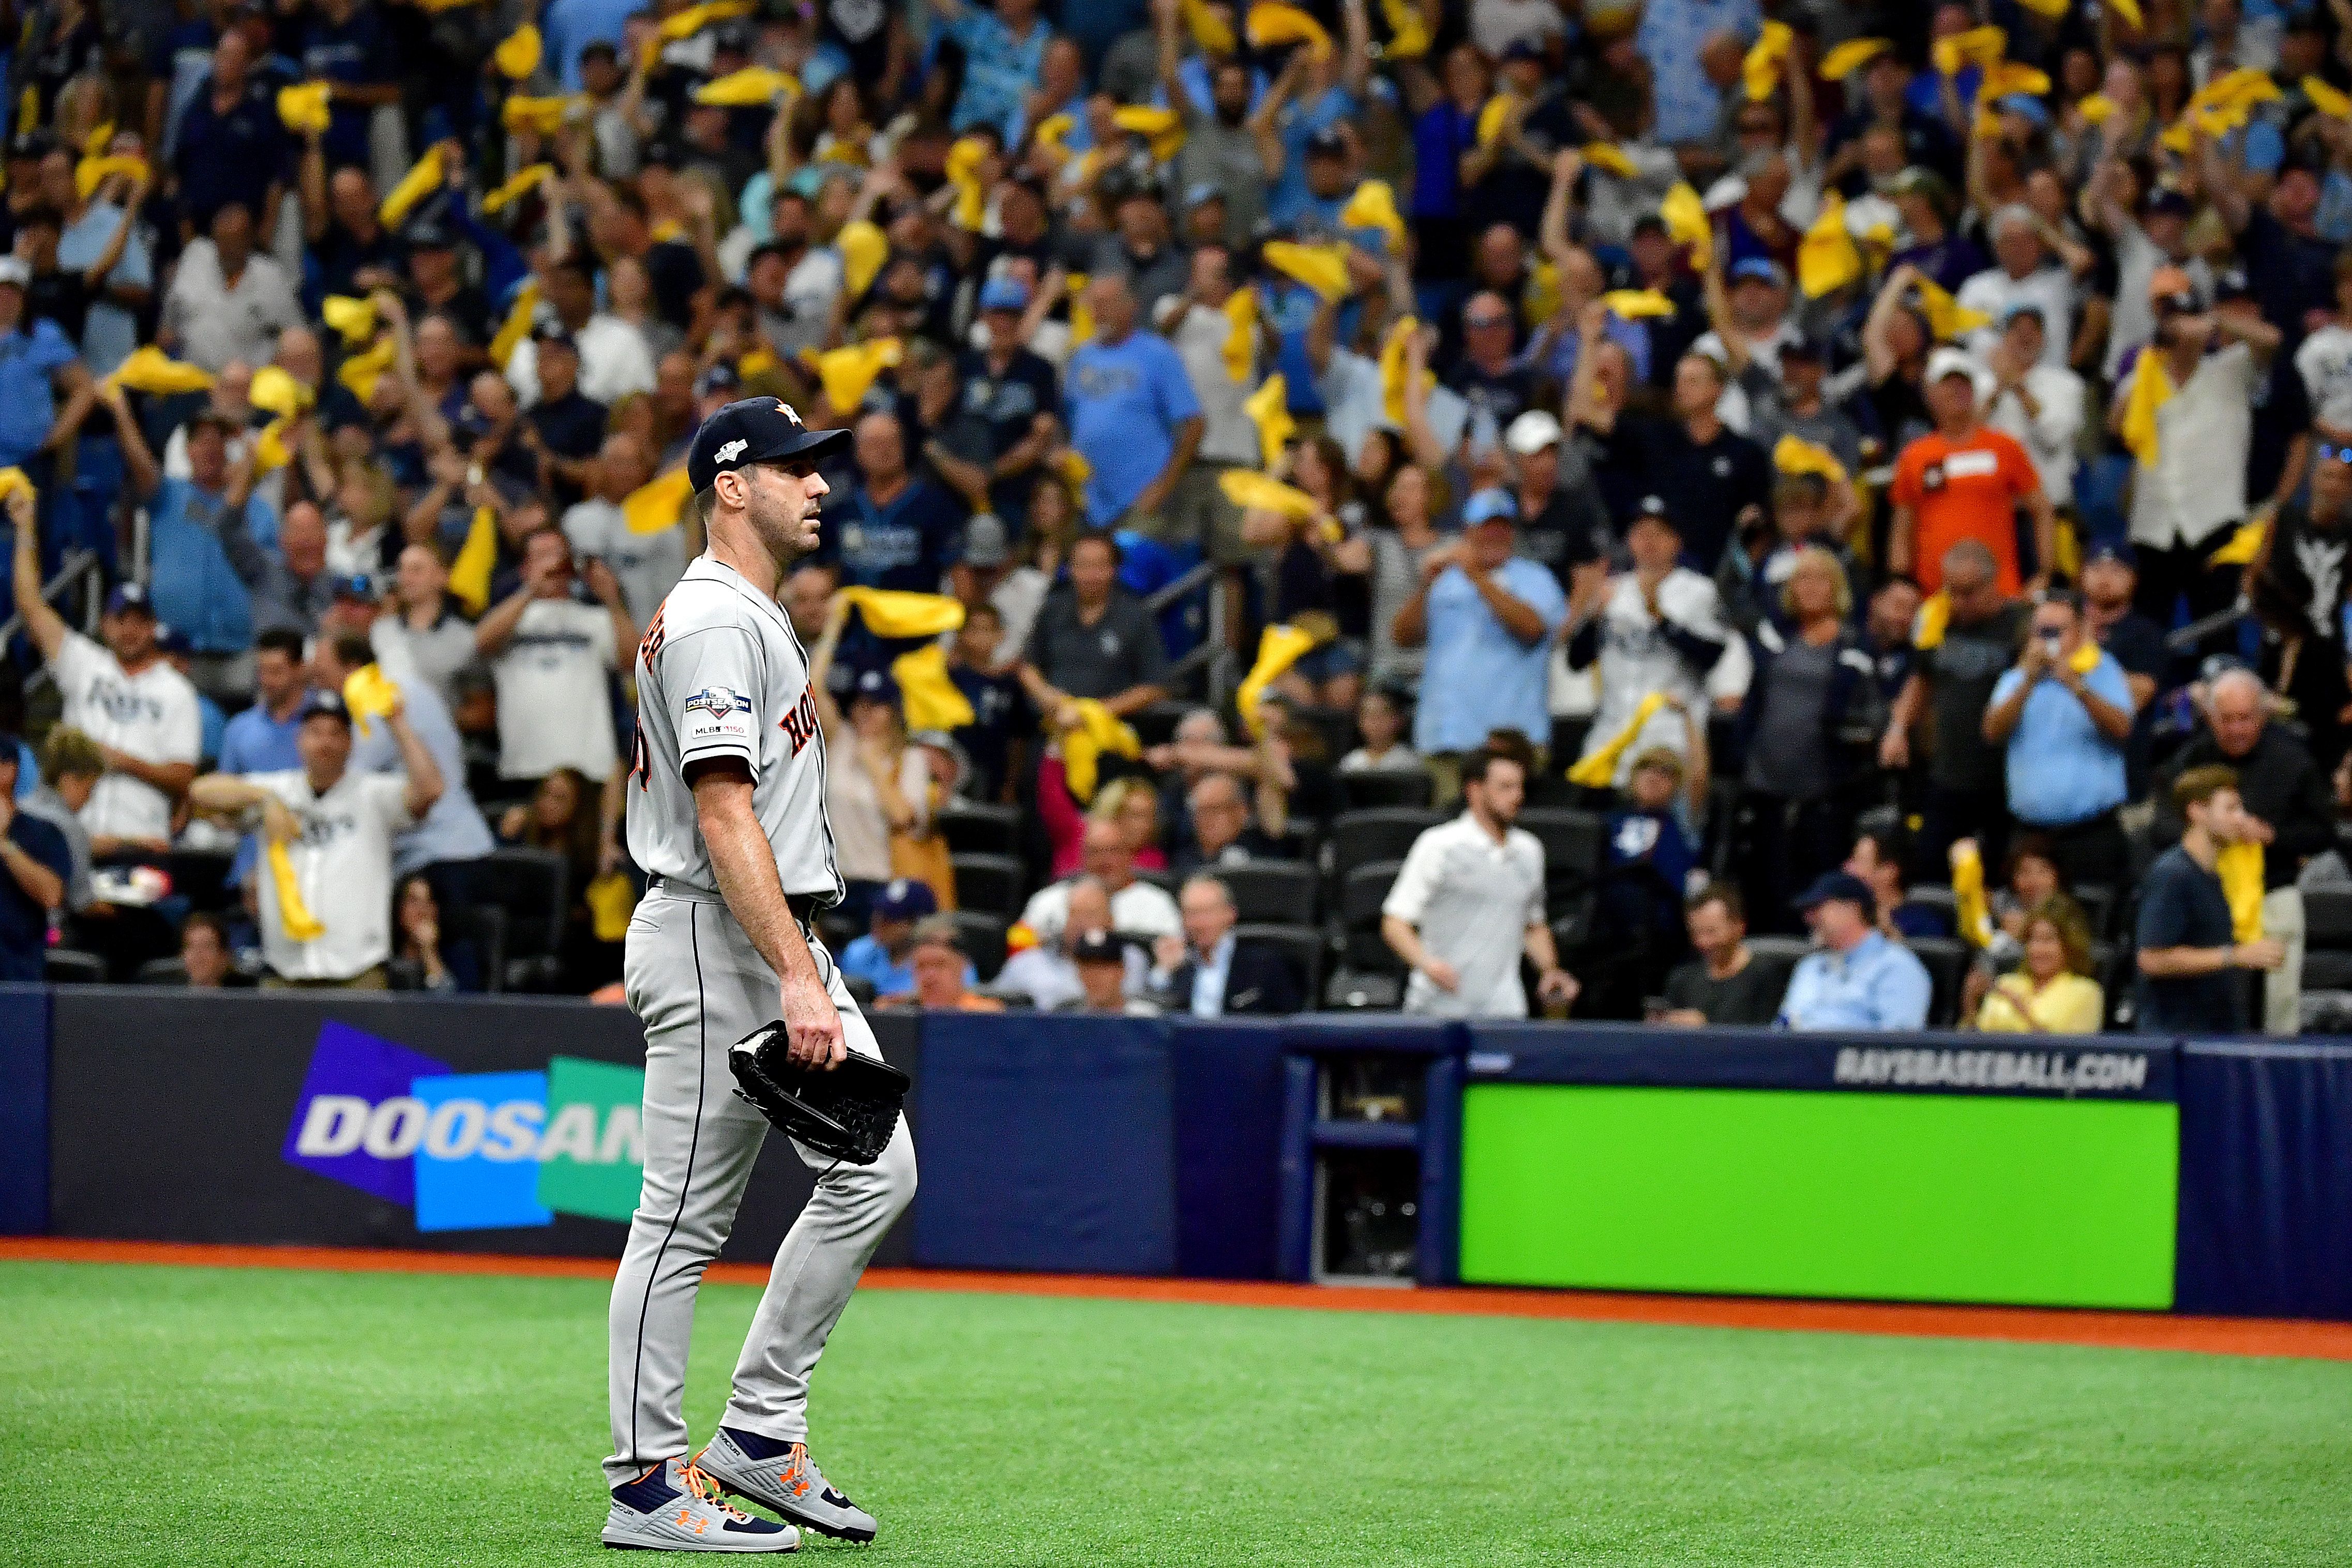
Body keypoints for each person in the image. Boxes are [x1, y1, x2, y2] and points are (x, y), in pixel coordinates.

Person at [605, 397, 907, 1552]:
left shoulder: (750, 612)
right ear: (731, 485)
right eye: (794, 467)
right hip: (714, 933)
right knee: (680, 1217)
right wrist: (796, 973)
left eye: (819, 467)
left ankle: (757, 1435)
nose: (820, 483)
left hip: (769, 932)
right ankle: (643, 1484)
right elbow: (722, 806)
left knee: (876, 1171)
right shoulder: (715, 619)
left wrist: (797, 958)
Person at [186, 689, 444, 988]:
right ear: (299, 740)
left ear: (350, 743)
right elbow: (199, 791)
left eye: (336, 733)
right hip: (284, 972)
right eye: (316, 732)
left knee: (352, 1039)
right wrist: (266, 800)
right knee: (277, 1038)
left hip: (358, 973)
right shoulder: (277, 789)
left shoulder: (373, 794)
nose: (326, 743)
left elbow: (431, 789)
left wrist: (397, 722)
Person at [10, 496, 199, 858]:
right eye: (120, 620)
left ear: (153, 627)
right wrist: (24, 531)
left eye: (140, 621)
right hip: (74, 839)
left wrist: (120, 761)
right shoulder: (85, 663)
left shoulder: (177, 691)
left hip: (141, 841)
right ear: (105, 625)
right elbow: (32, 607)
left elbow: (182, 777)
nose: (130, 630)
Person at [2153, 670, 2334, 1035]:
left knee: (2279, 1006)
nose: (2237, 730)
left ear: (2264, 716)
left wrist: (2273, 836)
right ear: (2210, 718)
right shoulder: (2191, 760)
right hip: (2206, 894)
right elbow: (2162, 828)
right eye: (2227, 720)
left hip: (2273, 891)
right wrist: (2209, 832)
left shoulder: (2294, 761)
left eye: (2246, 719)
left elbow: (2324, 834)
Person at [1392, 488, 1569, 804]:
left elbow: (1532, 629)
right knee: (1449, 837)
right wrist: (1425, 585)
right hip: (1445, 735)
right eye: (1487, 527)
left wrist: (1477, 576)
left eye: (1503, 527)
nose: (1496, 535)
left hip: (1511, 741)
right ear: (1468, 532)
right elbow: (1403, 637)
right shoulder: (1445, 580)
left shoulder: (1534, 578)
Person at [1380, 745, 1578, 1018]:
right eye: (1505, 787)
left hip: (1506, 1010)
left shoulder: (1530, 850)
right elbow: (1395, 922)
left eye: (1520, 787)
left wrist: (1550, 970)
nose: (1517, 797)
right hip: (1438, 1008)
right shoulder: (1439, 845)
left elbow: (1532, 925)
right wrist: (1428, 964)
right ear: (1474, 790)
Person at [1882, 539, 2029, 874]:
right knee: (1928, 871)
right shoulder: (1937, 618)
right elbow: (1921, 678)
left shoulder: (2020, 625)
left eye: (1971, 591)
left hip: (2001, 781)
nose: (1961, 601)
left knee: (1994, 876)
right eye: (1953, 591)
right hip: (1947, 776)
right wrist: (1898, 728)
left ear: (1994, 582)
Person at [1981, 590, 2136, 894]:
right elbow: (1991, 731)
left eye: (2057, 631)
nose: (2049, 640)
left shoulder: (2103, 669)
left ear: (2079, 631)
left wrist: (2076, 686)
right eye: (2042, 631)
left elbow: (2123, 728)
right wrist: (2028, 682)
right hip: (2032, 836)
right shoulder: (2016, 678)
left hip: (2091, 834)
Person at [1887, 349, 2053, 596]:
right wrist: (1900, 581)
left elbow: (2041, 508)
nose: (1957, 390)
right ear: (1930, 394)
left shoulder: (2004, 447)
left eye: (1964, 383)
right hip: (1935, 597)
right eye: (1948, 384)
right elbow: (1902, 526)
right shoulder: (1915, 455)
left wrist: (2045, 574)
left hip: (1999, 595)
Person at [475, 527, 632, 788]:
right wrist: (530, 590)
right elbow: (481, 643)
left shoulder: (595, 617)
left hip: (588, 767)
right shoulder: (511, 618)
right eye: (542, 555)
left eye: (558, 554)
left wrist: (613, 601)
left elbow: (634, 662)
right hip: (525, 766)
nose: (552, 563)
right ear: (525, 567)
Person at [2136, 765, 2285, 1036]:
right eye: (2230, 809)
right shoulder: (2173, 875)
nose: (2241, 819)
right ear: (2197, 811)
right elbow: (2152, 959)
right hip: (2176, 1040)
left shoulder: (2213, 875)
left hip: (2213, 1034)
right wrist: (2235, 955)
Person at [1062, 273, 1202, 530]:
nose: (1099, 312)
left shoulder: (1158, 353)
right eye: (1094, 304)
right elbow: (1070, 419)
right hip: (1089, 500)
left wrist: (1164, 486)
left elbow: (1194, 424)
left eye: (1107, 304)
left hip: (1142, 499)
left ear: (1131, 306)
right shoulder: (1081, 358)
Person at [1776, 871, 1934, 1032]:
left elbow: (1899, 1045)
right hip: (1797, 1055)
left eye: (1818, 908)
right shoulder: (1810, 966)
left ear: (1852, 908)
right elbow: (1782, 1028)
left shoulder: (1897, 965)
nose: (1809, 918)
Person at [1146, 873, 1302, 1017]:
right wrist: (1164, 972)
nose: (1199, 923)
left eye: (1207, 913)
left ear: (1230, 914)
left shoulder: (1264, 964)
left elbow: (1287, 1021)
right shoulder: (1179, 966)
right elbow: (1152, 1016)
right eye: (1191, 914)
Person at [1018, 819, 1182, 943]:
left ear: (1130, 855)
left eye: (1113, 851)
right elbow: (1020, 952)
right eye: (1095, 852)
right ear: (1082, 857)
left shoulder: (1158, 904)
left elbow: (1174, 960)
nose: (1105, 861)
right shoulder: (1047, 901)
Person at [1970, 897, 2104, 1034]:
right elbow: (1976, 1044)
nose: (2037, 949)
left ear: (2069, 945)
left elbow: (2074, 1050)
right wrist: (1970, 1004)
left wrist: (2020, 1008)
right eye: (2032, 939)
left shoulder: (2086, 992)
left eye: (2048, 940)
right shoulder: (2006, 983)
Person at [1659, 883, 1783, 1027]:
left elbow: (1767, 1038)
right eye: (1696, 933)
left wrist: (1706, 1027)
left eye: (1712, 932)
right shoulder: (1681, 979)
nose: (1703, 942)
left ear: (1739, 927)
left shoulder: (1766, 976)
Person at [0, 733, 68, 981]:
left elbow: (52, 895)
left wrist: (4, 844)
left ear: (9, 770)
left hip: (19, 978)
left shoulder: (43, 833)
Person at [838, 877, 940, 998]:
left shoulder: (943, 961)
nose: (879, 922)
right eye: (878, 912)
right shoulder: (857, 952)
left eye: (891, 918)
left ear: (918, 924)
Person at [877, 915, 1003, 1012]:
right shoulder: (896, 1013)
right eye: (921, 966)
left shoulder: (985, 1014)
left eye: (940, 965)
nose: (930, 975)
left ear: (963, 966)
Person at [388, 871, 482, 994]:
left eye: (429, 903)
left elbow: (451, 1007)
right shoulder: (383, 956)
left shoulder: (461, 956)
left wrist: (429, 953)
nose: (422, 911)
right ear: (399, 909)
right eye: (413, 901)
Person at [1059, 927, 1160, 1016]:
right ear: (1079, 973)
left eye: (1104, 967)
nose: (1096, 976)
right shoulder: (1067, 1018)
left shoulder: (1146, 1017)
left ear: (1121, 971)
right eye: (1089, 967)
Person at [177, 910, 241, 988]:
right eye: (191, 947)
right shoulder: (167, 998)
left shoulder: (248, 996)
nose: (197, 955)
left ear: (224, 957)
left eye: (206, 946)